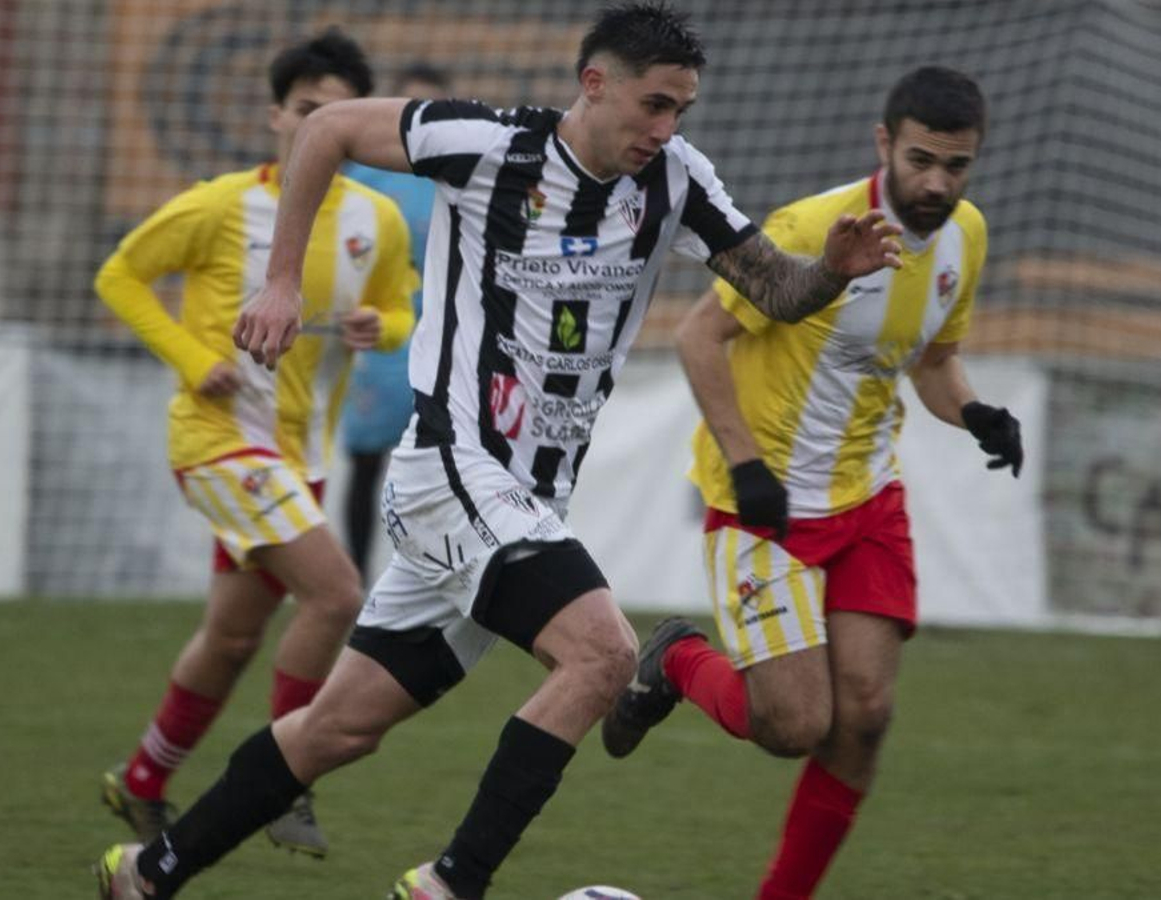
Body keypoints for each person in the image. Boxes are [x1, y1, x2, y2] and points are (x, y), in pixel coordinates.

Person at [97, 4, 902, 898]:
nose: (666, 127)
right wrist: (281, 280)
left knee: (339, 729)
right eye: (654, 104)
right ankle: (452, 883)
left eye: (681, 109)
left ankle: (147, 874)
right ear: (595, 84)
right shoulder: (487, 143)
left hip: (524, 500)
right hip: (451, 467)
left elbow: (775, 290)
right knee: (601, 655)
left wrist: (832, 270)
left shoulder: (676, 178)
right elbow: (325, 128)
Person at [600, 66, 1022, 900]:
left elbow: (933, 361)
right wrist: (747, 465)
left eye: (958, 165)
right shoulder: (813, 228)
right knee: (795, 726)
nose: (938, 183)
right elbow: (697, 338)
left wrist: (974, 413)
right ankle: (676, 659)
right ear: (883, 144)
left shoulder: (964, 237)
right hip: (768, 505)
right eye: (922, 160)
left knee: (864, 719)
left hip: (868, 500)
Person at [92, 29, 416, 860]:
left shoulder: (375, 220)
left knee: (234, 638)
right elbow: (119, 276)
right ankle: (287, 777)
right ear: (277, 116)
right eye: (307, 110)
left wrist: (386, 325)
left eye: (337, 113)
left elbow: (402, 306)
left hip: (299, 458)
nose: (319, 124)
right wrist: (196, 360)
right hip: (218, 443)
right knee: (339, 596)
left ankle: (140, 782)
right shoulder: (219, 205)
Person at [340, 61, 453, 583]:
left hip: (446, 345)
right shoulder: (360, 178)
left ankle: (431, 578)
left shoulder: (459, 177)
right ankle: (355, 580)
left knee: (437, 474)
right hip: (379, 345)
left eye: (430, 111)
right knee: (366, 466)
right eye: (410, 109)